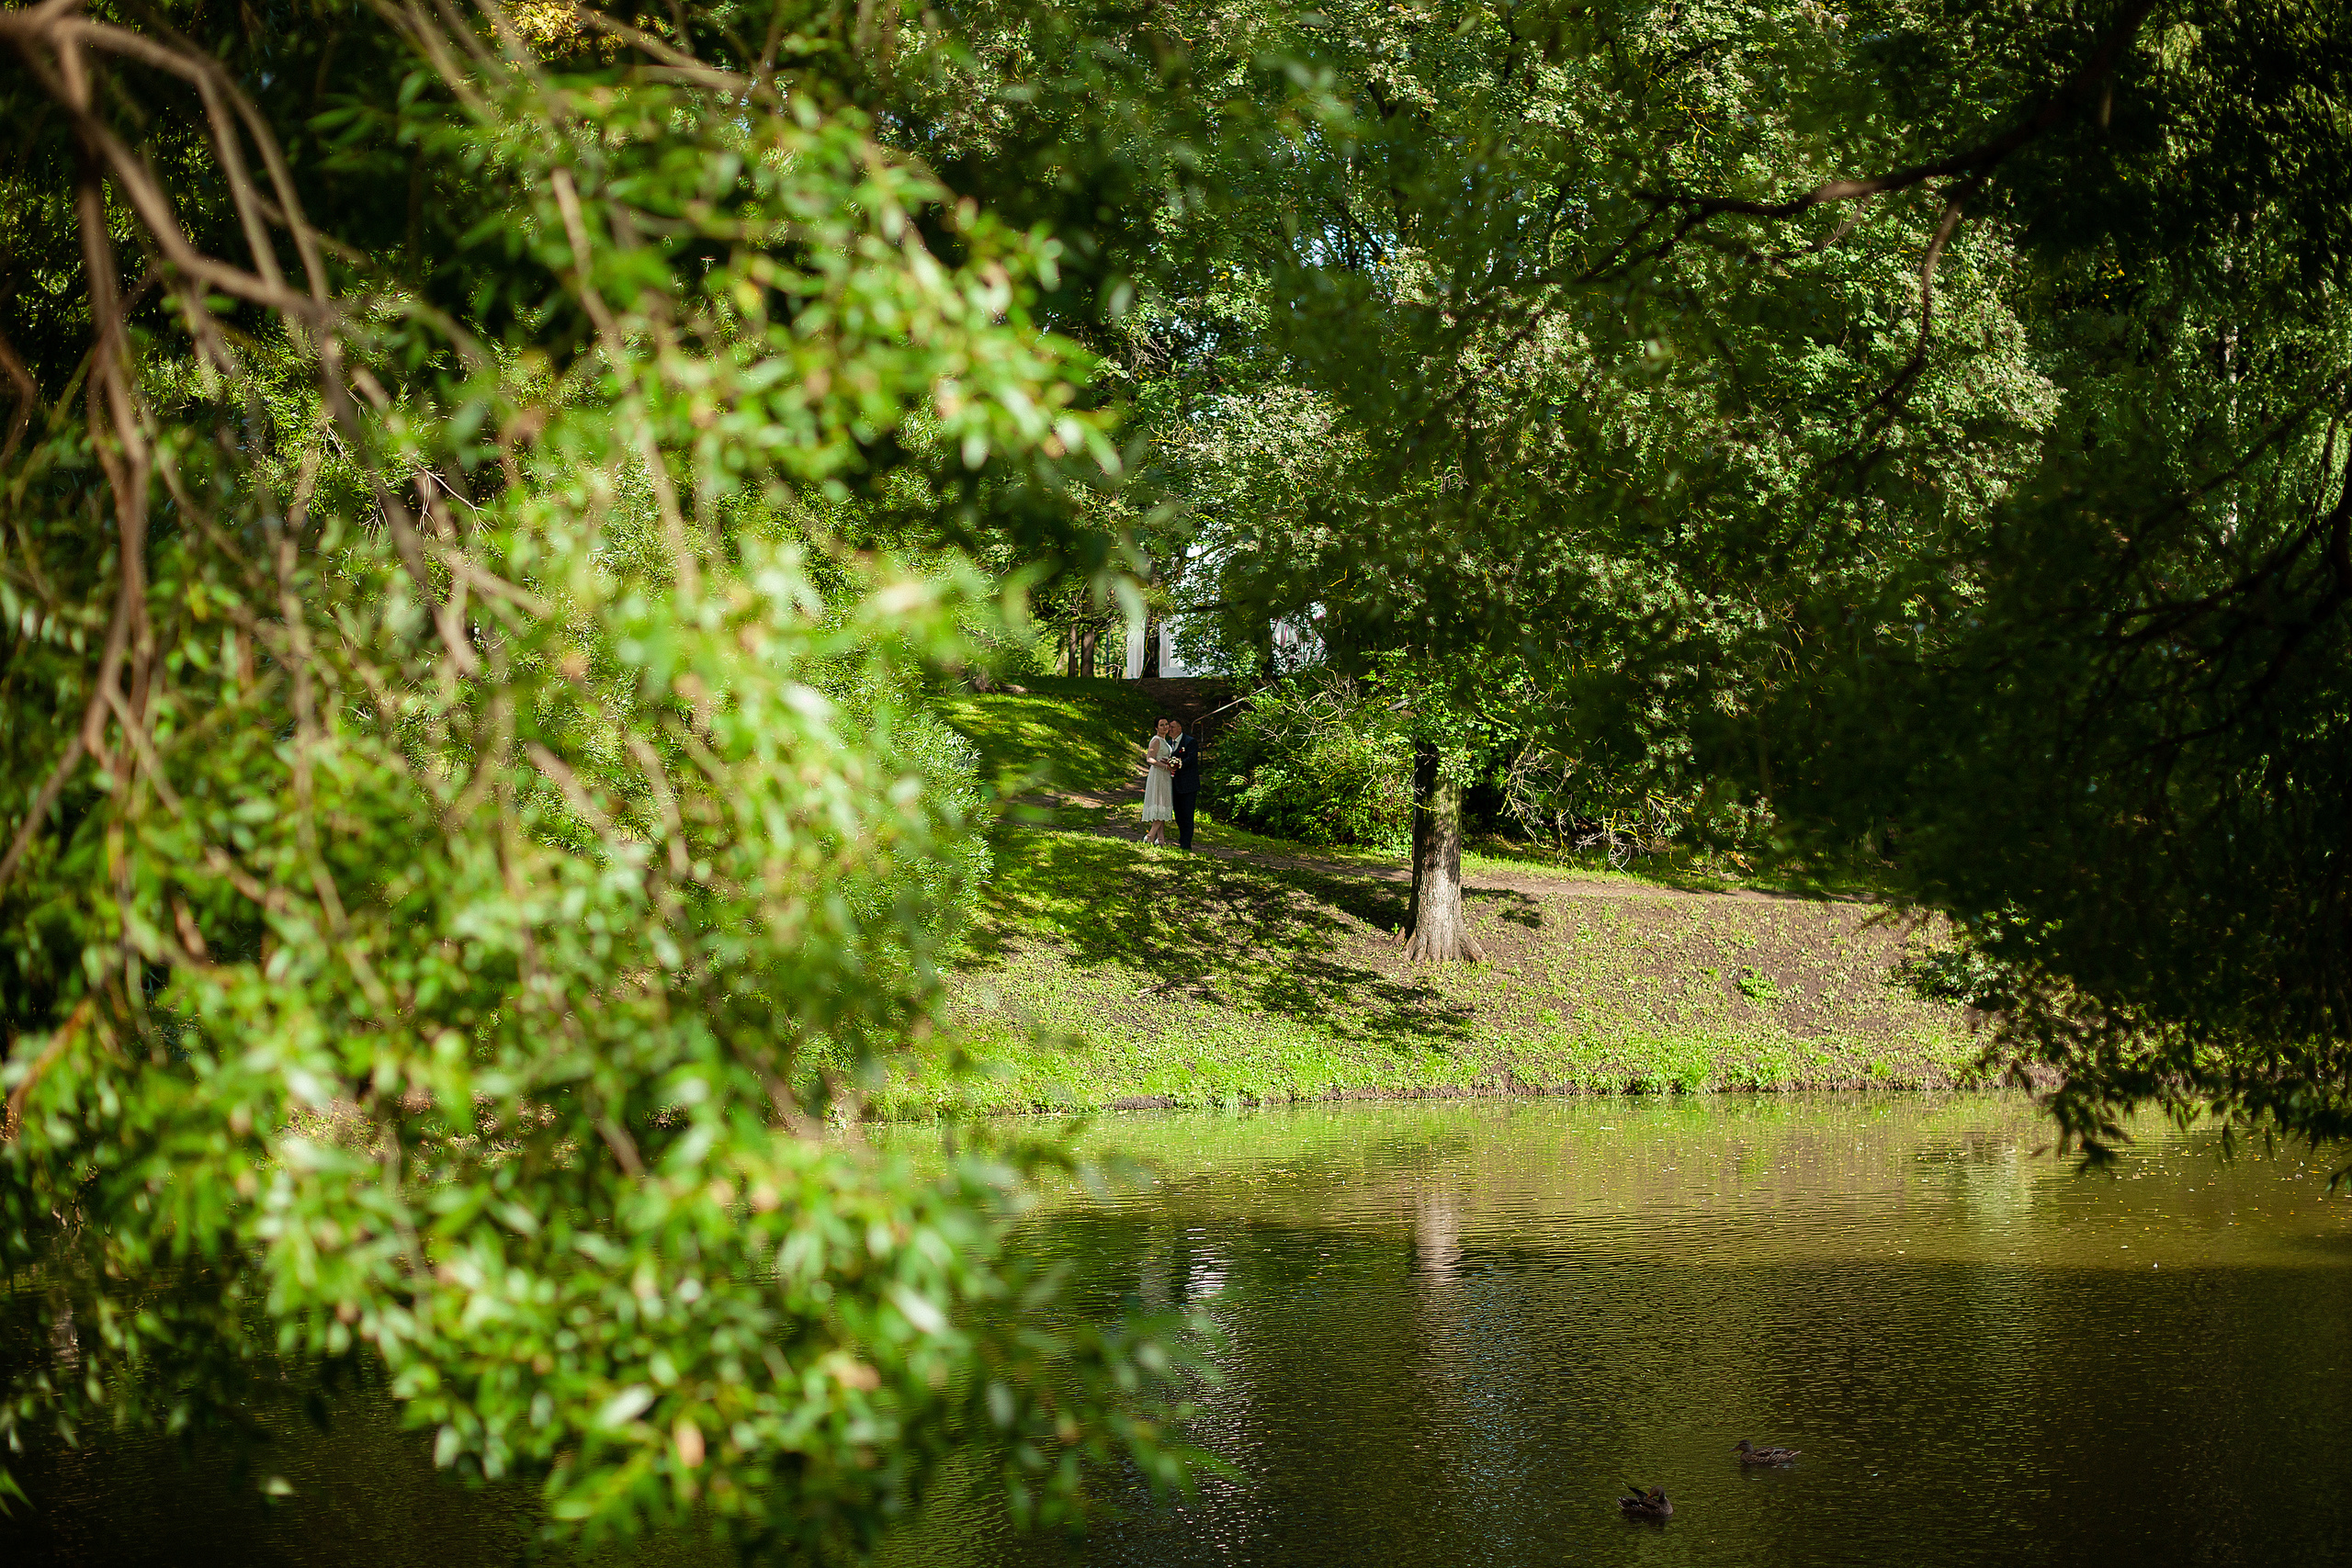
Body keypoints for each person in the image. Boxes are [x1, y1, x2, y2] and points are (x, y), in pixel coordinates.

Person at [1166, 716, 1202, 851]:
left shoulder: (1190, 742)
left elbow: (1191, 759)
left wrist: (1179, 764)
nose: (1170, 730)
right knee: (1179, 814)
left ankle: (1186, 844)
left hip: (1188, 785)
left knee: (1187, 814)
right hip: (1174, 784)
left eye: (1173, 727)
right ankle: (1182, 838)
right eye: (1169, 727)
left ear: (1180, 728)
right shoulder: (1169, 743)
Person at [1140, 717, 1176, 844]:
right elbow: (1150, 758)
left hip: (1165, 775)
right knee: (1162, 804)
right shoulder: (1156, 740)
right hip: (1158, 775)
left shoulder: (1165, 741)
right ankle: (1150, 836)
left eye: (1166, 724)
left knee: (1162, 805)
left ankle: (1160, 839)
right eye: (1162, 725)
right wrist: (1164, 766)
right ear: (1156, 728)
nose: (1165, 727)